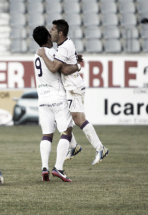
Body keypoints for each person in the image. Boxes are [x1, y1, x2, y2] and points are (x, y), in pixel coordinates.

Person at [37, 19, 109, 166]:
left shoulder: (63, 48)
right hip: (68, 88)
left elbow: (58, 68)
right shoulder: (63, 45)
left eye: (53, 29)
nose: (50, 32)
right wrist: (75, 60)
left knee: (78, 119)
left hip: (73, 87)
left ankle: (100, 148)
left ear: (60, 32)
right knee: (60, 119)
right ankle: (74, 146)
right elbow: (66, 61)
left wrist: (43, 55)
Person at [33, 26, 82, 182]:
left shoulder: (36, 55)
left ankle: (44, 168)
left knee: (47, 134)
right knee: (66, 132)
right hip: (57, 97)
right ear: (48, 37)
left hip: (42, 99)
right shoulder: (53, 53)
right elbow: (63, 69)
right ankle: (59, 168)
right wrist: (78, 65)